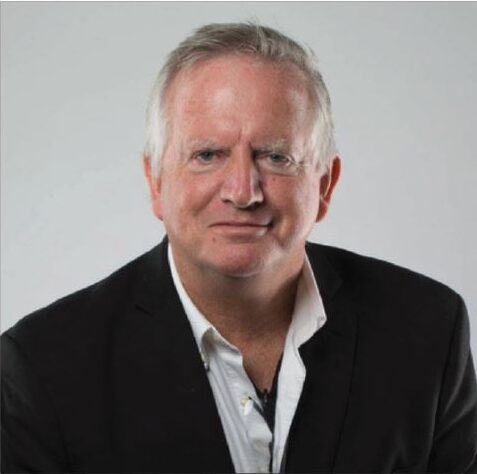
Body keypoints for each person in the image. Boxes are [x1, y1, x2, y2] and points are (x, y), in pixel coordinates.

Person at [2, 22, 476, 473]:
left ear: (324, 185)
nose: (243, 191)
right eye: (207, 154)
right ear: (156, 182)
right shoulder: (43, 368)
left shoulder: (428, 331)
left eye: (276, 156)